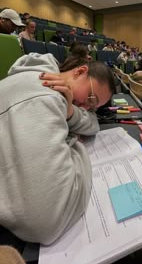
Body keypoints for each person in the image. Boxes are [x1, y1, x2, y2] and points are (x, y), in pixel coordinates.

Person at [0, 53, 116, 245]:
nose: (86, 108)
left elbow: (92, 123)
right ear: (80, 71)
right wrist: (74, 144)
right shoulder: (47, 93)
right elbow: (46, 224)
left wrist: (70, 111)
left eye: (93, 106)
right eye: (91, 98)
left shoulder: (49, 84)